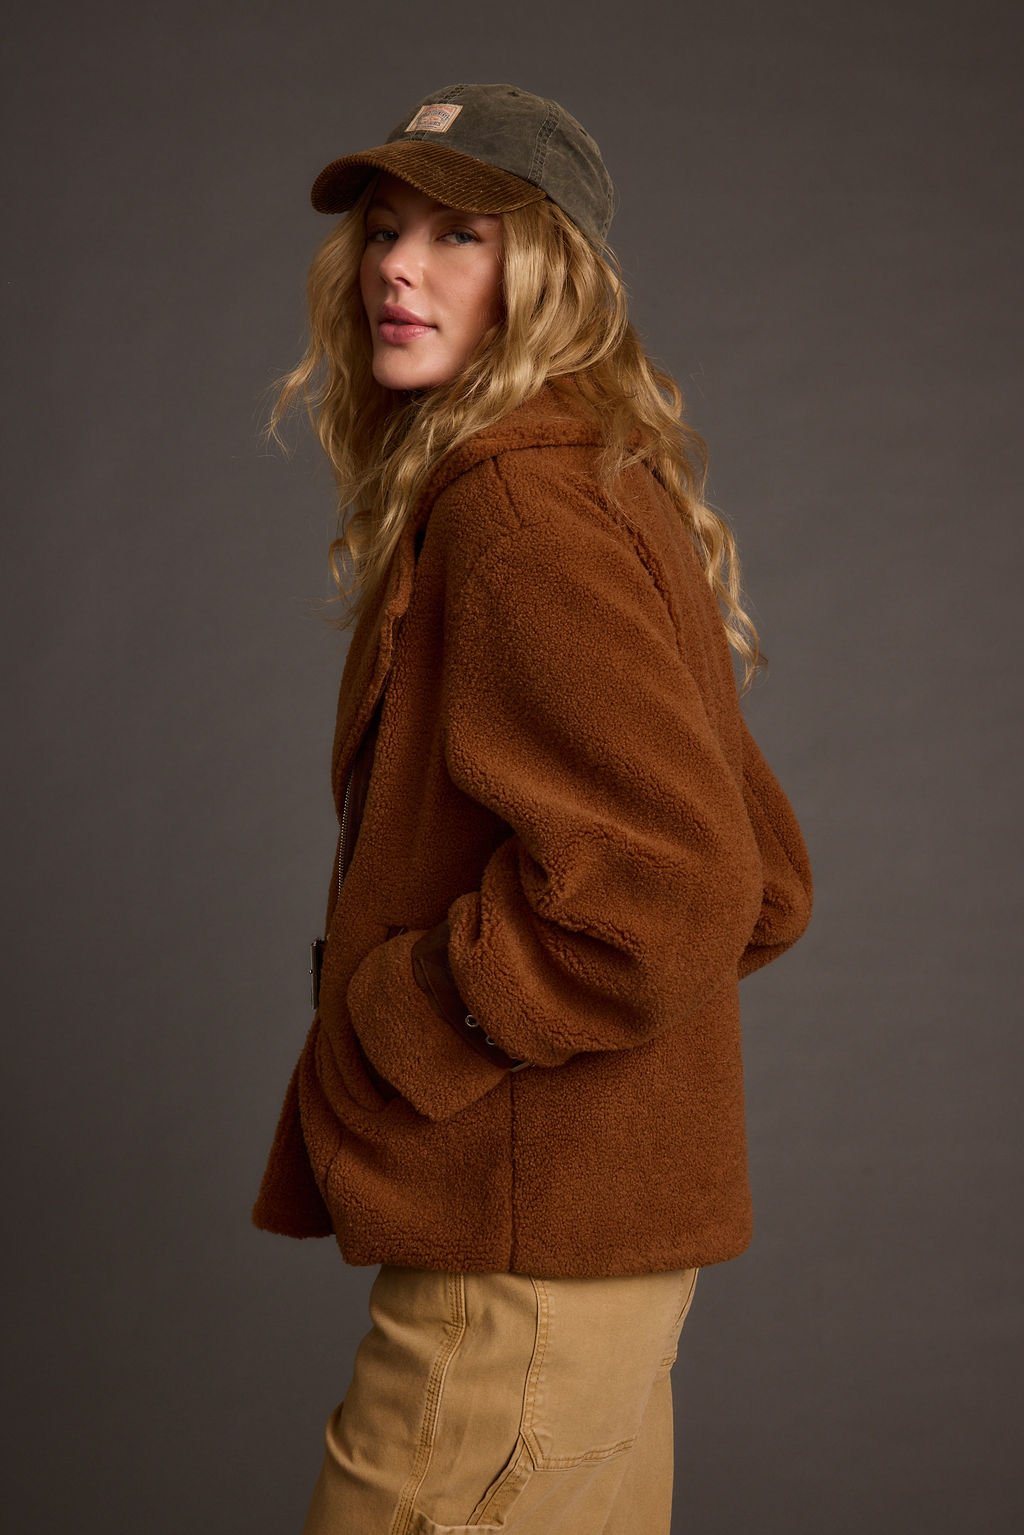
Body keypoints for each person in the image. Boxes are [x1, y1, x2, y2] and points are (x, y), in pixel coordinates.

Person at [253, 83, 814, 1535]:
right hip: (592, 1262)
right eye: (386, 231)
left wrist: (408, 1021)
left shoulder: (519, 511)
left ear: (553, 271)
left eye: (460, 236)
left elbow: (684, 885)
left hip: (520, 1284)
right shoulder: (602, 482)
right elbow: (762, 875)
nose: (399, 267)